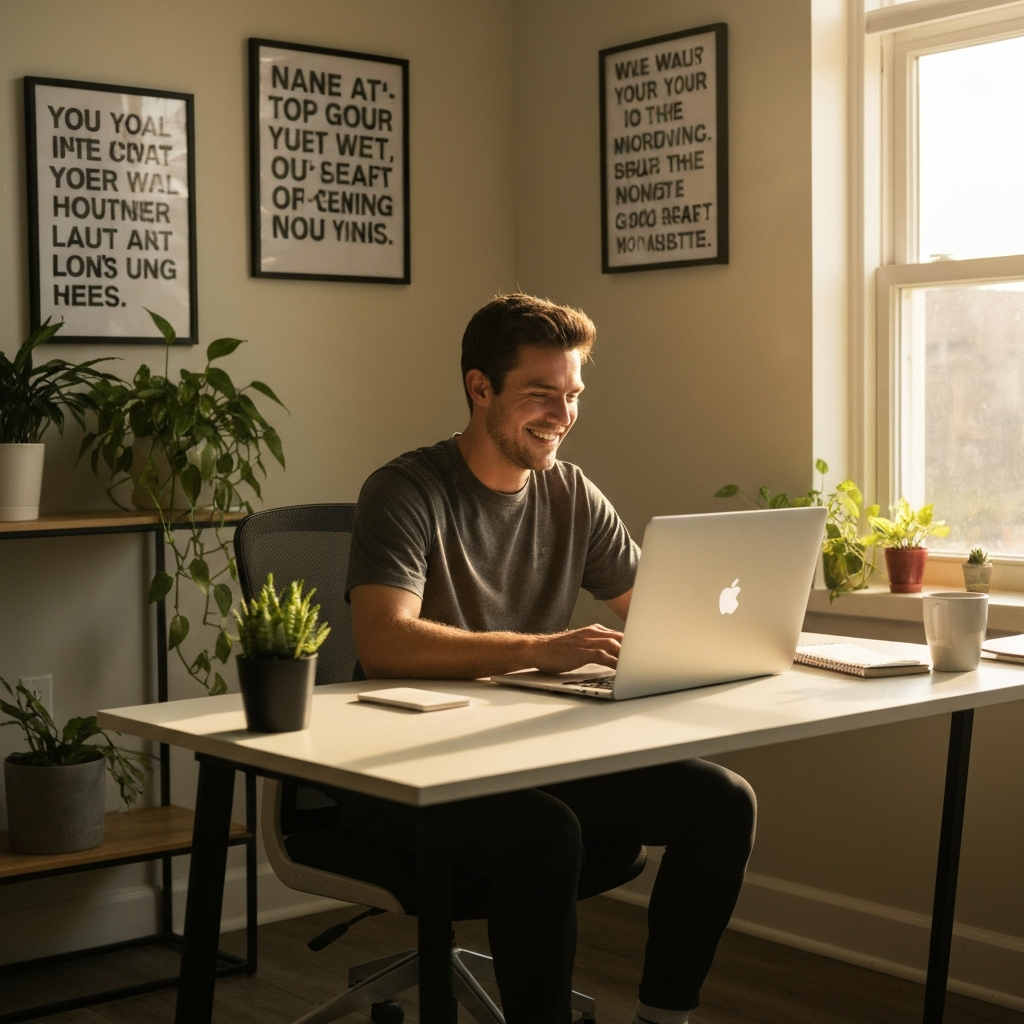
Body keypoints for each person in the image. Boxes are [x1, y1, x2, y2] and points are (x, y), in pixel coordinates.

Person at [343, 294, 756, 1024]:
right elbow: (383, 645)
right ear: (480, 388)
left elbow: (657, 617)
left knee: (722, 802)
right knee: (544, 835)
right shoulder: (406, 492)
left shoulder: (570, 493)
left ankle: (665, 1017)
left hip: (524, 758)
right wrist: (544, 650)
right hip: (404, 772)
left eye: (572, 396)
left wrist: (741, 639)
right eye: (541, 395)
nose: (562, 415)